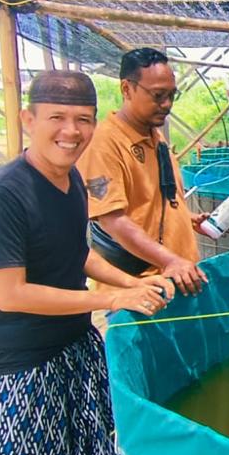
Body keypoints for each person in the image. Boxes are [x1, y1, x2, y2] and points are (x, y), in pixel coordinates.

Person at [0, 70, 173, 455]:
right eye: (56, 118)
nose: (71, 131)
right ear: (28, 119)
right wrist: (110, 299)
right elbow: (10, 294)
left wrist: (130, 285)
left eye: (83, 120)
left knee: (80, 449)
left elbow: (77, 254)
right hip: (21, 360)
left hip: (72, 340)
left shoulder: (71, 180)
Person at [77, 47, 209, 295]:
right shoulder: (104, 145)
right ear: (127, 89)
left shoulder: (155, 137)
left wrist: (185, 219)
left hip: (177, 277)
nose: (166, 104)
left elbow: (150, 202)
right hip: (139, 288)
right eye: (158, 95)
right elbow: (113, 220)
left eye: (172, 95)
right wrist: (170, 260)